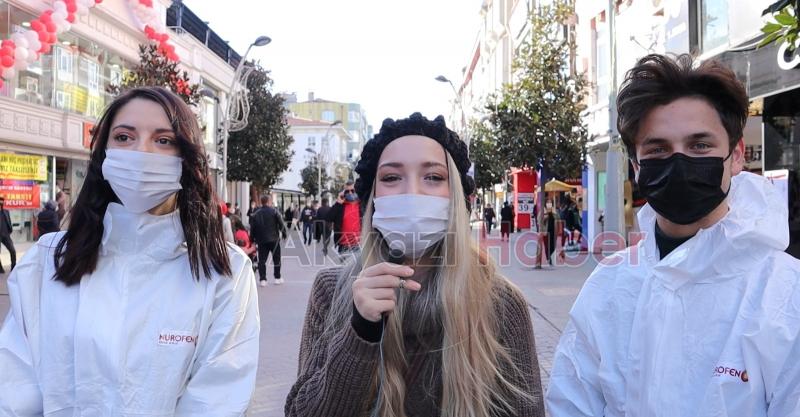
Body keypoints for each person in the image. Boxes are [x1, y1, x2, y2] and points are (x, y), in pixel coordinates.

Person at [546, 54, 800, 416]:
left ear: (736, 155)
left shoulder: (785, 294)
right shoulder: (608, 287)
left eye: (700, 146)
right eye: (658, 149)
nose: (679, 162)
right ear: (637, 167)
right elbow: (571, 404)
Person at [0, 87, 259, 414]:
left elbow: (217, 400)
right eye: (124, 137)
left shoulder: (223, 273)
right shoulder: (48, 261)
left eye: (163, 140)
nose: (141, 152)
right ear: (104, 153)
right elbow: (14, 390)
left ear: (186, 158)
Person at [285, 113, 545, 417]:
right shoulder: (331, 292)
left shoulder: (499, 302)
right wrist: (360, 331)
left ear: (456, 197)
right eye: (391, 178)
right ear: (372, 199)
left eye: (433, 177)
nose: (412, 192)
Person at [250, 194, 288, 286]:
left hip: (261, 240)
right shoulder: (274, 211)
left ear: (262, 202)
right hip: (274, 239)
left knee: (262, 260)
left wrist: (252, 239)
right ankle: (277, 277)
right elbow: (281, 223)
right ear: (268, 202)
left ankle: (263, 279)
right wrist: (284, 233)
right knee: (276, 259)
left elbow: (252, 228)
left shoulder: (256, 213)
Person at [327, 180, 362, 256]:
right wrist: (338, 203)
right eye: (347, 191)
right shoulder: (340, 205)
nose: (350, 193)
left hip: (359, 245)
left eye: (352, 190)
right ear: (343, 193)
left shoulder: (361, 205)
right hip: (343, 246)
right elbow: (329, 218)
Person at [0, 196, 15, 273]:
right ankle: (0, 269)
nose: (1, 202)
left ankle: (14, 267)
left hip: (6, 234)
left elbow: (9, 221)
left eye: (2, 201)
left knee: (12, 250)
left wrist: (10, 230)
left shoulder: (6, 211)